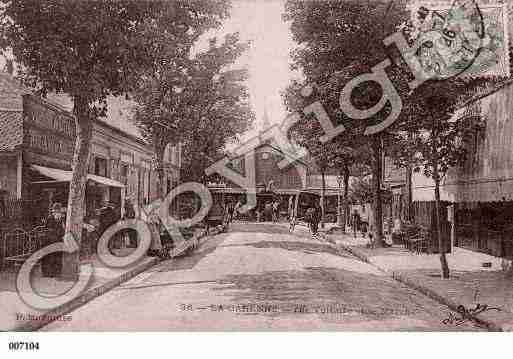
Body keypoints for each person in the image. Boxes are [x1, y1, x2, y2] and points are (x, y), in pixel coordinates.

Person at [42, 202, 65, 277]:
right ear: (54, 212)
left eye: (59, 212)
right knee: (50, 256)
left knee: (57, 256)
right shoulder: (50, 218)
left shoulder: (60, 219)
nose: (58, 214)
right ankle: (48, 273)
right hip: (50, 240)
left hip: (57, 240)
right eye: (56, 212)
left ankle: (56, 272)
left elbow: (62, 229)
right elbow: (48, 230)